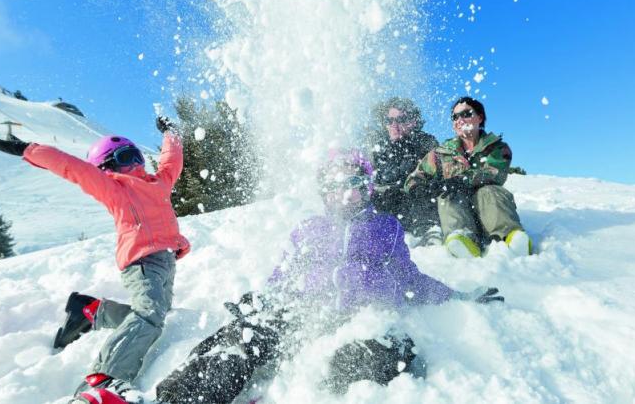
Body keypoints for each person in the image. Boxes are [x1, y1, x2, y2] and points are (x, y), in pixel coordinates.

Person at [152, 149, 504, 404]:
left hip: (364, 318)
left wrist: (460, 296)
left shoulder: (386, 228)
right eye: (336, 183)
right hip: (306, 315)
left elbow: (412, 279)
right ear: (324, 190)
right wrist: (262, 301)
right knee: (241, 341)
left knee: (378, 355)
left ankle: (315, 390)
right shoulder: (309, 229)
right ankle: (176, 399)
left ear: (367, 186)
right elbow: (283, 275)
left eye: (355, 182)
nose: (346, 191)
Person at [0, 116, 190, 404]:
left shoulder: (158, 182)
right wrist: (27, 149)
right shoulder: (114, 189)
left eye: (137, 155)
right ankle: (104, 379)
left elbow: (172, 161)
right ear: (107, 168)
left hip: (165, 260)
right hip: (141, 261)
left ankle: (91, 311)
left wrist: (171, 133)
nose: (136, 163)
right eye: (125, 158)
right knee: (150, 314)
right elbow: (71, 167)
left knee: (155, 317)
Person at [404, 97, 531, 258]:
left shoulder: (497, 148)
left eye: (466, 114)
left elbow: (495, 173)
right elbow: (414, 178)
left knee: (490, 191)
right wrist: (419, 188)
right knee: (447, 194)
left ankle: (511, 238)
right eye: (455, 117)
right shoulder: (440, 153)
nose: (460, 120)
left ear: (480, 117)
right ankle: (462, 239)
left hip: (488, 211)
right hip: (458, 213)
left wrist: (463, 180)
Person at [367, 97, 440, 244]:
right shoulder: (378, 147)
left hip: (415, 205)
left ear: (412, 121)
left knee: (421, 188)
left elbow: (435, 173)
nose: (394, 125)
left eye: (401, 119)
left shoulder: (424, 142)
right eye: (389, 121)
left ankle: (429, 234)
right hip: (387, 206)